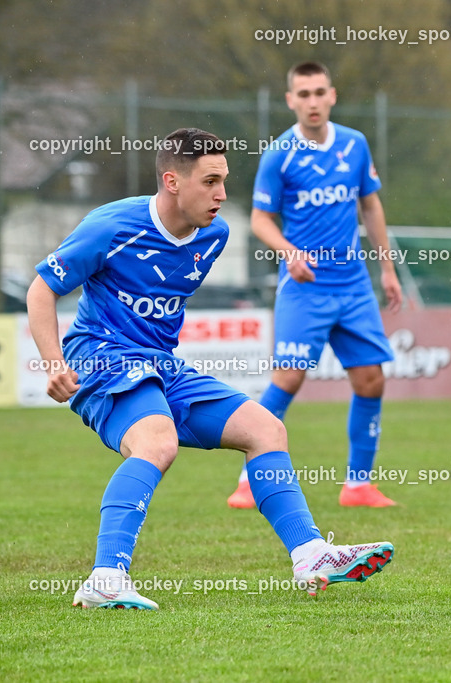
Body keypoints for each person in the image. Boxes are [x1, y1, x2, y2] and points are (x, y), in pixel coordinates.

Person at [26, 128, 393, 609]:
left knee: (267, 429)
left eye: (224, 180)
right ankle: (105, 577)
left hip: (160, 365)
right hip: (101, 356)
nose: (222, 194)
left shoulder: (213, 235)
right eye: (210, 181)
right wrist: (54, 363)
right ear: (173, 181)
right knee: (157, 441)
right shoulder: (110, 226)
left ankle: (310, 554)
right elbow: (41, 290)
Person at [228, 61, 402, 510]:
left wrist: (387, 269)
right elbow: (259, 219)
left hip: (353, 285)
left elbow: (372, 206)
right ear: (291, 100)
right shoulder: (278, 155)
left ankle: (358, 485)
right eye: (302, 94)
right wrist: (288, 251)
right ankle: (250, 479)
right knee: (288, 378)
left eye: (318, 92)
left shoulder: (355, 144)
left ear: (332, 96)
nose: (311, 101)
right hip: (303, 287)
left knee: (370, 380)